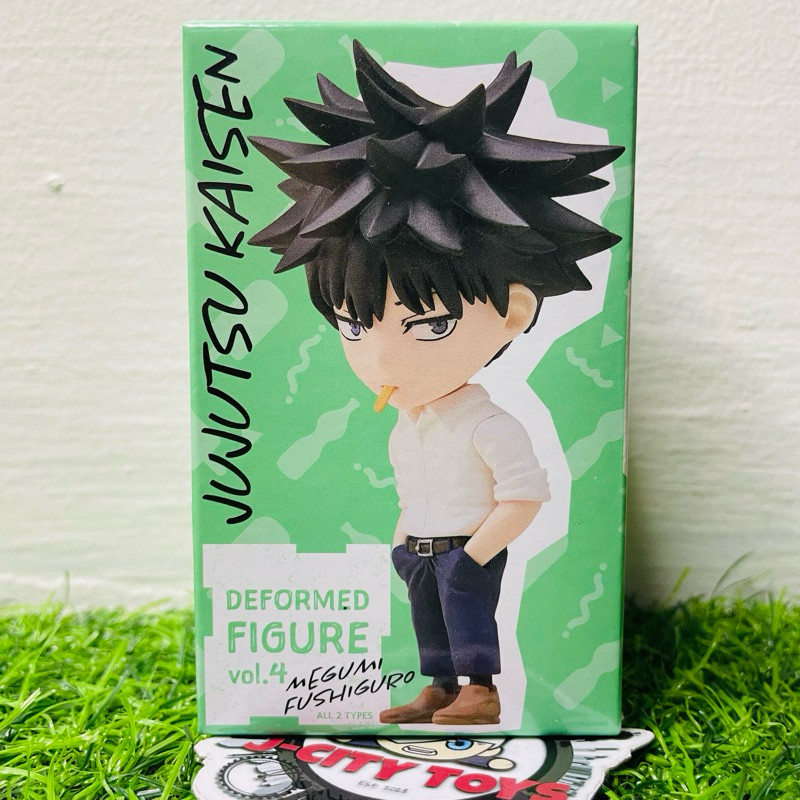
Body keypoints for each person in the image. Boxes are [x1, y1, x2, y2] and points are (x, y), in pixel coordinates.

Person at [248, 40, 624, 725]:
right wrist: (402, 543)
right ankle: (440, 687)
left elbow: (524, 494)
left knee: (469, 618)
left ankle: (480, 690)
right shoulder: (409, 424)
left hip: (464, 549)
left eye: (430, 324)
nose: (381, 358)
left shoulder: (488, 423)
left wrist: (473, 556)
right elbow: (411, 489)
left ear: (513, 311)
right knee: (431, 626)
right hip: (421, 548)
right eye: (352, 324)